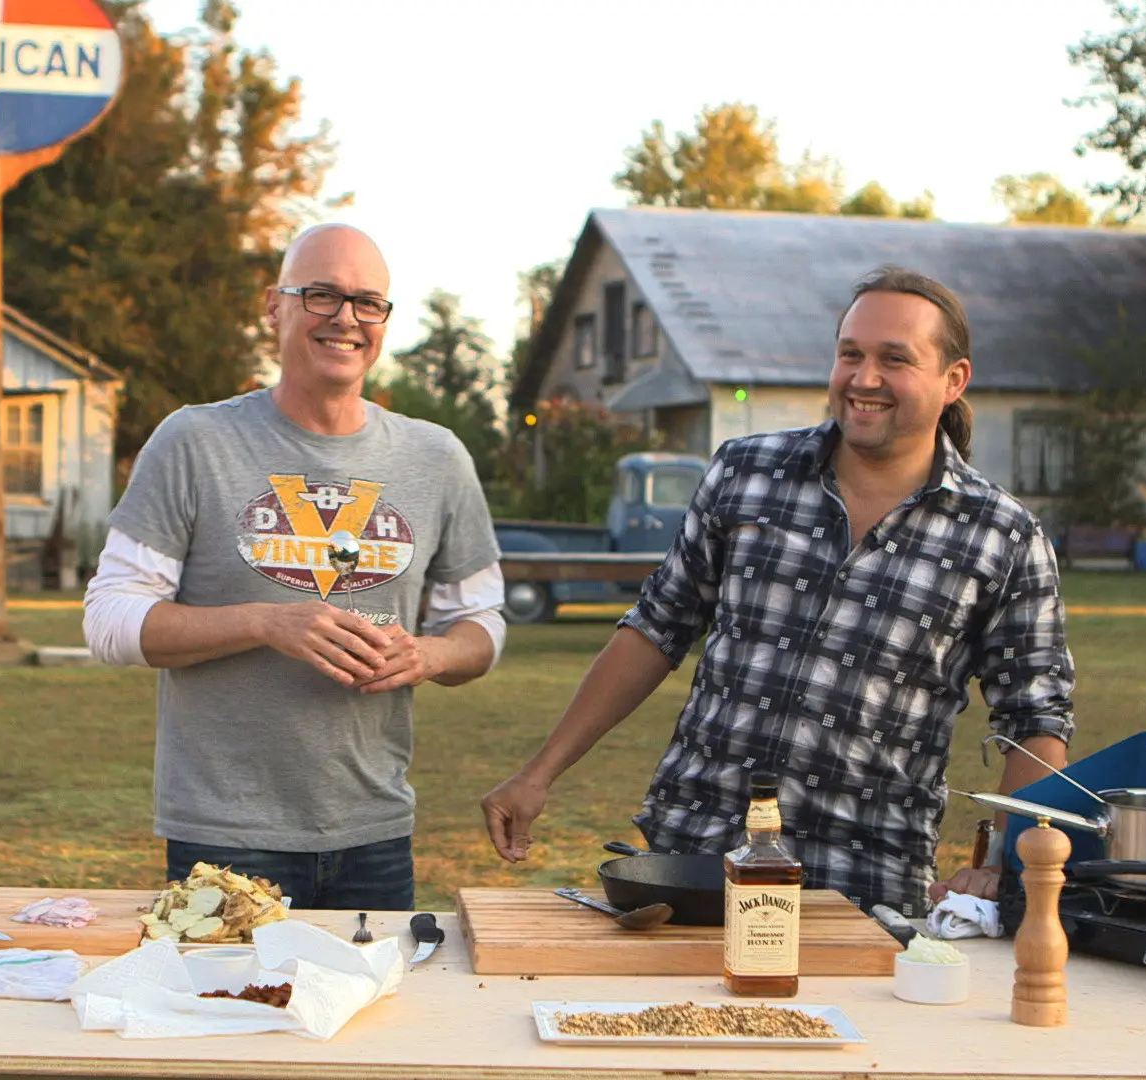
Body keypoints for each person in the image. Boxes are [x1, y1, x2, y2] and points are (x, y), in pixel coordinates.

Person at [480, 265, 1075, 916]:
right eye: (851, 354)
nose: (863, 378)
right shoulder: (746, 473)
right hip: (697, 858)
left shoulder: (1003, 536)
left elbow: (1034, 720)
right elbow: (655, 628)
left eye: (894, 360)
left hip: (860, 882)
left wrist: (999, 863)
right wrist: (538, 774)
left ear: (953, 380)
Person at [84, 224, 506, 911]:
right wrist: (266, 622)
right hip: (226, 833)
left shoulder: (436, 459)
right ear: (274, 307)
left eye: (368, 302)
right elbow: (108, 621)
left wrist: (429, 655)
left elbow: (480, 623)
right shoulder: (194, 441)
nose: (346, 318)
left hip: (374, 829)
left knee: (368, 1015)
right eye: (321, 295)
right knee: (231, 1016)